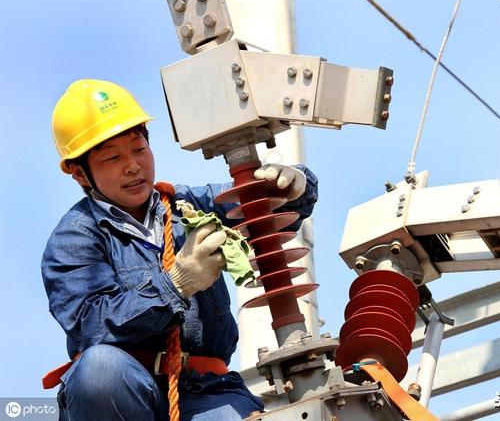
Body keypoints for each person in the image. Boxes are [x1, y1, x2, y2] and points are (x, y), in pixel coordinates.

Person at [41, 79, 318, 420]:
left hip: (208, 389)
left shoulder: (186, 206)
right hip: (123, 393)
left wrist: (293, 186)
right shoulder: (75, 238)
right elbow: (92, 325)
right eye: (113, 157)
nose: (132, 165)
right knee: (99, 370)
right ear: (79, 174)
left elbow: (256, 206)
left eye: (138, 149)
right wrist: (176, 285)